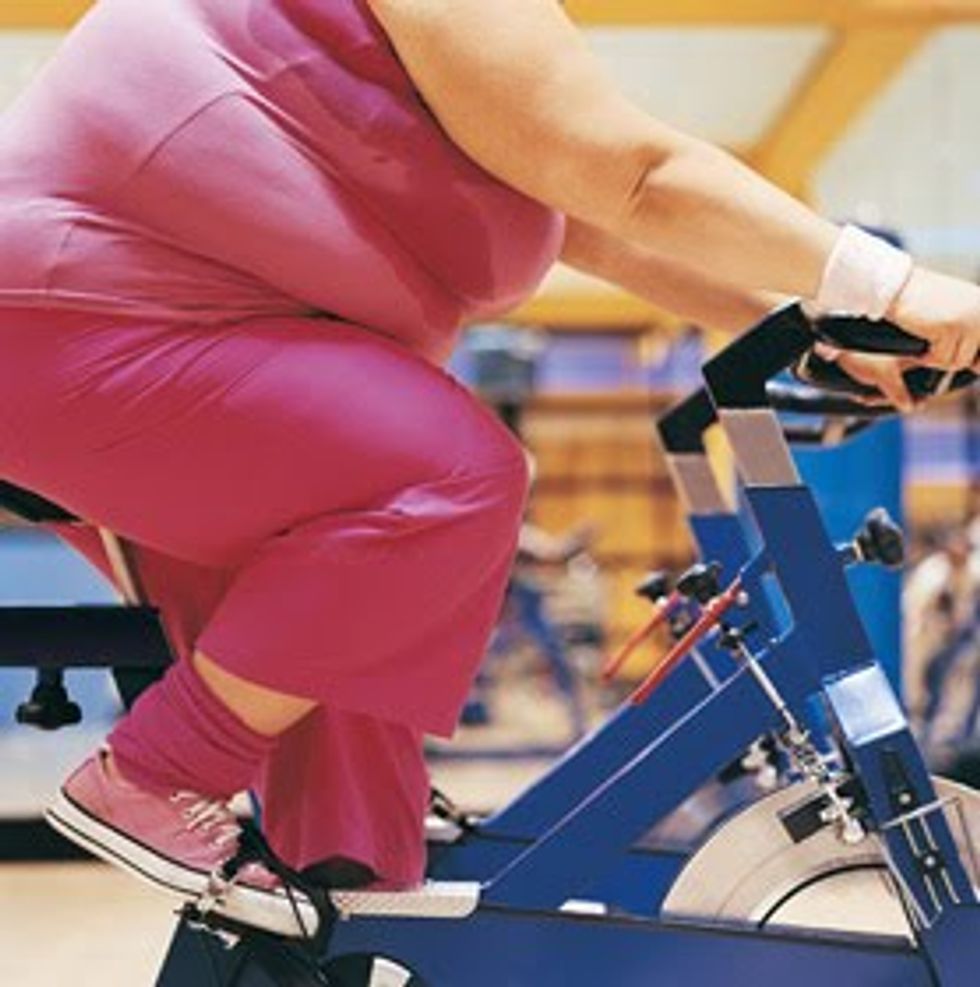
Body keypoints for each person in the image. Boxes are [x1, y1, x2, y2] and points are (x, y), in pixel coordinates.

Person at [0, 0, 977, 937]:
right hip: (84, 322)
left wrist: (812, 329)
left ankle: (342, 900)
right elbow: (630, 176)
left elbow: (596, 226)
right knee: (448, 477)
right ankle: (156, 774)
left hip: (127, 334)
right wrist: (882, 281)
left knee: (343, 667)